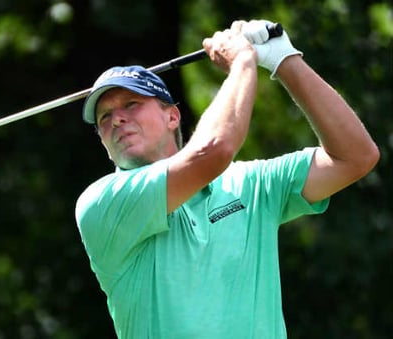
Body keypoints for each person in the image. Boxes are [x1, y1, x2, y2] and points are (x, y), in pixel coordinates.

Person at [74, 20, 378, 338]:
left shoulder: (250, 184)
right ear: (103, 143)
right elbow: (214, 151)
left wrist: (285, 60)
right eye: (104, 117)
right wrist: (243, 62)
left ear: (172, 117)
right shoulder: (101, 204)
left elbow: (355, 157)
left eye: (131, 104)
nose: (117, 118)